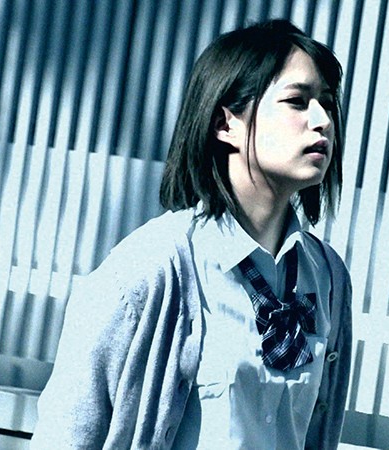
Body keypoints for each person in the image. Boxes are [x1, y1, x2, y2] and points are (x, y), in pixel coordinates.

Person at [31, 19, 352, 449]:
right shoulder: (148, 271)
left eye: (327, 103)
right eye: (297, 101)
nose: (323, 120)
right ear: (226, 123)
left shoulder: (328, 278)